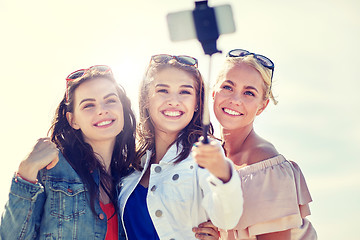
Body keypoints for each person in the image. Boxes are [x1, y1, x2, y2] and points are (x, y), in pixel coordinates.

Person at [192, 49, 317, 240]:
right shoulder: (209, 155)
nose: (235, 100)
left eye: (249, 93)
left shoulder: (267, 166)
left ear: (262, 106)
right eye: (228, 87)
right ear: (214, 92)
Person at [0, 65, 136, 240]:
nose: (102, 110)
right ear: (73, 120)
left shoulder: (131, 180)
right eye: (88, 105)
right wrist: (26, 170)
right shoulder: (51, 169)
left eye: (110, 100)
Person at [117, 54, 243, 240]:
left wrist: (223, 174)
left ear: (196, 104)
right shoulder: (131, 160)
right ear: (146, 100)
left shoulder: (204, 152)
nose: (174, 100)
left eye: (185, 92)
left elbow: (226, 219)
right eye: (163, 91)